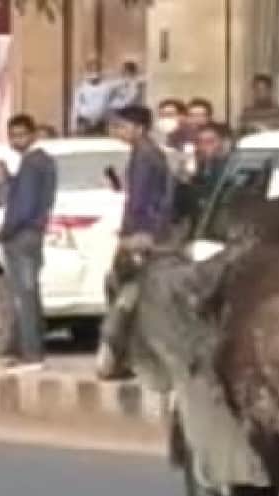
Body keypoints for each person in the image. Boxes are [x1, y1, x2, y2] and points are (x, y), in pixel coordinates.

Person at [98, 104, 173, 381]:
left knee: (126, 294)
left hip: (143, 237)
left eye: (123, 126)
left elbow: (140, 201)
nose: (118, 132)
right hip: (149, 233)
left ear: (139, 128)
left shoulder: (145, 156)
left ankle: (120, 355)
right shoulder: (149, 154)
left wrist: (132, 236)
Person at [0, 114, 57, 370]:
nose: (16, 140)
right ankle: (33, 349)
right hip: (33, 233)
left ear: (33, 134)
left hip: (23, 235)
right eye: (12, 135)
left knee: (25, 294)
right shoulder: (39, 162)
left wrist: (6, 231)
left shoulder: (33, 163)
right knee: (29, 292)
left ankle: (31, 353)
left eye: (21, 135)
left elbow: (25, 204)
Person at [71, 57, 112, 135]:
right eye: (91, 70)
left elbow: (108, 105)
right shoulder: (81, 87)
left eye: (96, 70)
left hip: (101, 121)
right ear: (88, 71)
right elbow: (76, 106)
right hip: (84, 121)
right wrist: (74, 126)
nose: (94, 73)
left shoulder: (107, 87)